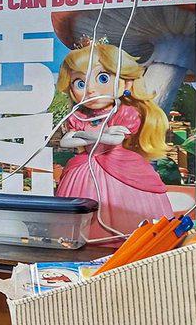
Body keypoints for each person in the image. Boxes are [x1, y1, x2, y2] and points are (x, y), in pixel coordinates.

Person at [53, 39, 177, 240]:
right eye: (80, 83)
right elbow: (66, 141)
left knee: (130, 214)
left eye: (102, 78)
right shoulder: (78, 117)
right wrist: (95, 135)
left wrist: (85, 136)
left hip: (120, 166)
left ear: (126, 83)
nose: (90, 90)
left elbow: (115, 139)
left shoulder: (124, 113)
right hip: (84, 170)